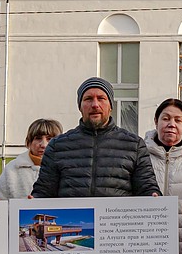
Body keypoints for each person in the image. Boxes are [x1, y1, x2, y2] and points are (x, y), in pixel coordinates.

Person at [32, 77, 160, 197]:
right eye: (88, 99)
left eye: (101, 98)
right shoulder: (57, 146)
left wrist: (153, 196)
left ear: (110, 106)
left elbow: (146, 188)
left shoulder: (134, 145)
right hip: (73, 221)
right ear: (80, 107)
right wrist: (33, 202)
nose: (95, 104)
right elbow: (44, 191)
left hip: (116, 219)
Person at [0, 118, 63, 199]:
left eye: (49, 139)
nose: (43, 145)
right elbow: (1, 202)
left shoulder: (67, 168)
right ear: (29, 142)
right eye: (38, 138)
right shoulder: (11, 169)